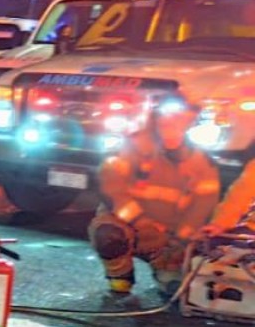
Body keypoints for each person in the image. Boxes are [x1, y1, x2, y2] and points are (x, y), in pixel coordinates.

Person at [89, 98, 221, 298]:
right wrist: (142, 223)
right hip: (129, 225)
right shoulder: (129, 149)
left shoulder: (201, 161)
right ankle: (120, 276)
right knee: (108, 234)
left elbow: (204, 204)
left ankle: (168, 272)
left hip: (169, 236)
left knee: (176, 290)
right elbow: (113, 193)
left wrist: (184, 235)